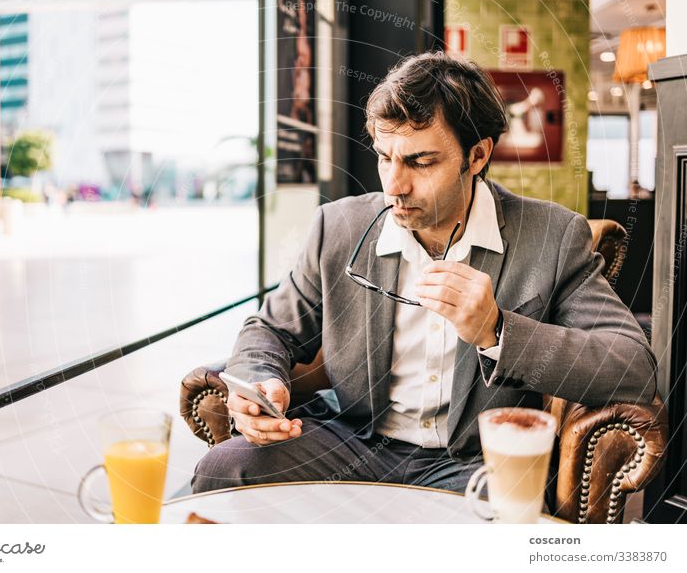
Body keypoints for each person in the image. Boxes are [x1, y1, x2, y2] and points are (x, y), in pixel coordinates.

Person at [191, 52, 657, 497]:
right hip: (354, 443)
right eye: (384, 157)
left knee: (501, 521)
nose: (394, 185)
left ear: (476, 156)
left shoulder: (553, 237)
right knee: (224, 470)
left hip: (474, 462)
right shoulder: (338, 227)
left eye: (420, 162)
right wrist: (260, 382)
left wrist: (497, 330)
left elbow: (633, 369)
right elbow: (269, 330)